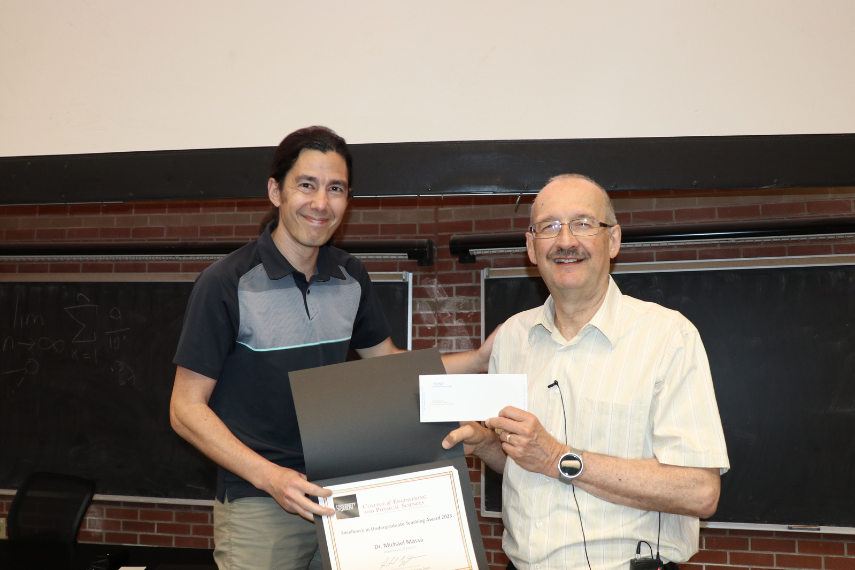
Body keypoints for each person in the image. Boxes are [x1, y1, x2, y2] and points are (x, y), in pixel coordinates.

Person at [169, 126, 492, 570]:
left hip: (346, 494)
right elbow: (185, 408)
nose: (321, 203)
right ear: (275, 191)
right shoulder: (225, 283)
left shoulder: (351, 277)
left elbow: (390, 369)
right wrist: (271, 477)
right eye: (307, 185)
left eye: (335, 189)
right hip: (261, 501)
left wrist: (478, 360)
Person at [442, 174, 729, 570]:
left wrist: (560, 457)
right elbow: (530, 468)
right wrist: (488, 445)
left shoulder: (667, 337)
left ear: (613, 241)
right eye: (549, 227)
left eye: (583, 223)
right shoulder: (512, 338)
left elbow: (699, 491)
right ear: (531, 247)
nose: (565, 241)